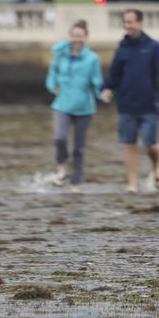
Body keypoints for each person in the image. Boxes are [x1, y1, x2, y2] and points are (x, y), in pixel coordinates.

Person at [101, 9, 159, 194]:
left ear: (140, 23)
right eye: (125, 22)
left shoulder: (153, 46)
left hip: (149, 104)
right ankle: (132, 184)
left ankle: (156, 167)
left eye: (131, 22)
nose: (128, 26)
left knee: (150, 144)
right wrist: (107, 88)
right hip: (126, 104)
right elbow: (114, 74)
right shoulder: (122, 47)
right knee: (129, 144)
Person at [45, 20, 106, 192]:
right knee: (60, 138)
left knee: (79, 147)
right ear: (70, 37)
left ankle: (76, 182)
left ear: (86, 37)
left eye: (81, 36)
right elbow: (52, 75)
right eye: (74, 36)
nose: (77, 39)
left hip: (84, 108)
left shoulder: (92, 59)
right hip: (62, 104)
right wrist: (52, 86)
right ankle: (62, 167)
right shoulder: (61, 55)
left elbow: (96, 82)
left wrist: (102, 94)